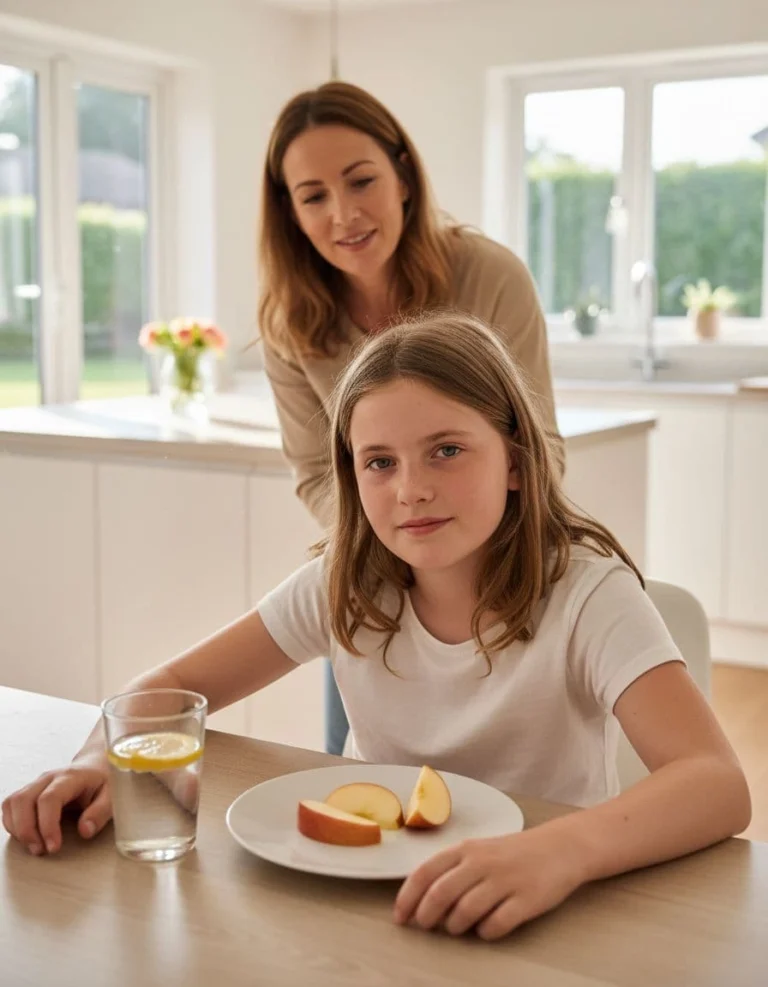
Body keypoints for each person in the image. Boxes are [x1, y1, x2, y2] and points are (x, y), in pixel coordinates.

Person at [2, 312, 750, 942]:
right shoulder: (344, 585)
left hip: (535, 903)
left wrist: (562, 850)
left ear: (517, 460)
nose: (412, 489)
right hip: (361, 902)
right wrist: (100, 755)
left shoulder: (588, 595)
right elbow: (166, 688)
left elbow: (715, 783)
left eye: (447, 451)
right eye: (379, 462)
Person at [258, 80, 564, 756]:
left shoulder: (489, 276)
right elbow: (317, 469)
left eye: (361, 181)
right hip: (377, 571)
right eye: (314, 197)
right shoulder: (288, 322)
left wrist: (459, 565)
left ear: (402, 175)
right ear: (292, 214)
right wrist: (394, 549)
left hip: (500, 572)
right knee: (362, 769)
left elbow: (538, 446)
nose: (344, 214)